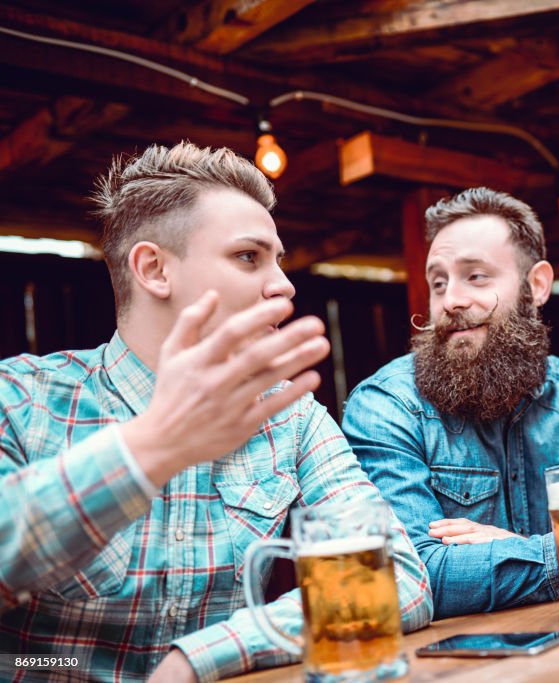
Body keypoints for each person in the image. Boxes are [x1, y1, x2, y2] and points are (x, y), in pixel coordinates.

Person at [0, 142, 432, 682]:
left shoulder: (289, 416)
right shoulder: (20, 399)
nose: (284, 284)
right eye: (249, 257)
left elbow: (400, 578)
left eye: (278, 259)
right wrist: (154, 445)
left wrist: (197, 657)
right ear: (154, 269)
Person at [342, 187, 559, 618]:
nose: (451, 300)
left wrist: (515, 552)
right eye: (438, 282)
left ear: (536, 285)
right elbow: (413, 576)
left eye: (475, 276)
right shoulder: (385, 406)